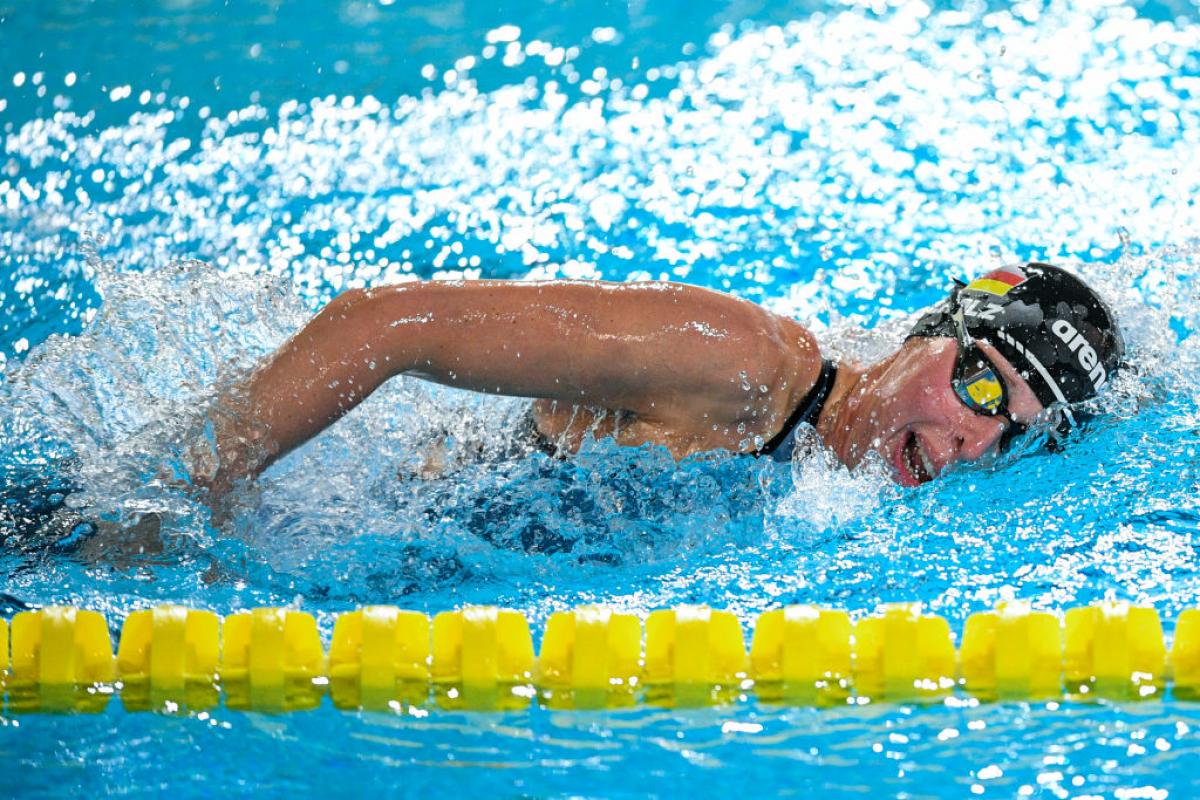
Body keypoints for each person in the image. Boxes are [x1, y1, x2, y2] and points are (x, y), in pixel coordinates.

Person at [192, 261, 1124, 500]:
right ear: (930, 335)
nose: (976, 443)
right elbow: (381, 323)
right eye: (986, 391)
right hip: (341, 524)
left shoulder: (835, 486)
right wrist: (185, 496)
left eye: (1020, 434)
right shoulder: (744, 367)